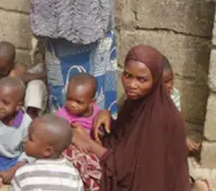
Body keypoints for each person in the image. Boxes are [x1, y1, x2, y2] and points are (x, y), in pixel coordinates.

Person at [66, 45, 190, 191]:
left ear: (156, 80)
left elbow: (126, 172)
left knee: (72, 154)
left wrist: (85, 141)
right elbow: (125, 139)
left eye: (141, 80)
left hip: (144, 183)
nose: (131, 85)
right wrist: (104, 116)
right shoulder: (137, 102)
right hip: (125, 168)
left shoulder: (160, 118)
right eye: (127, 75)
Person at [12, 115, 83, 191]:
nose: (24, 140)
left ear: (47, 151)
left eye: (30, 138)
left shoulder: (23, 173)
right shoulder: (73, 172)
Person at [0, 41, 47, 120]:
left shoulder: (17, 71)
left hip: (17, 108)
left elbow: (26, 77)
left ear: (13, 64)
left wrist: (46, 74)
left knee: (36, 84)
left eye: (3, 70)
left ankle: (31, 117)